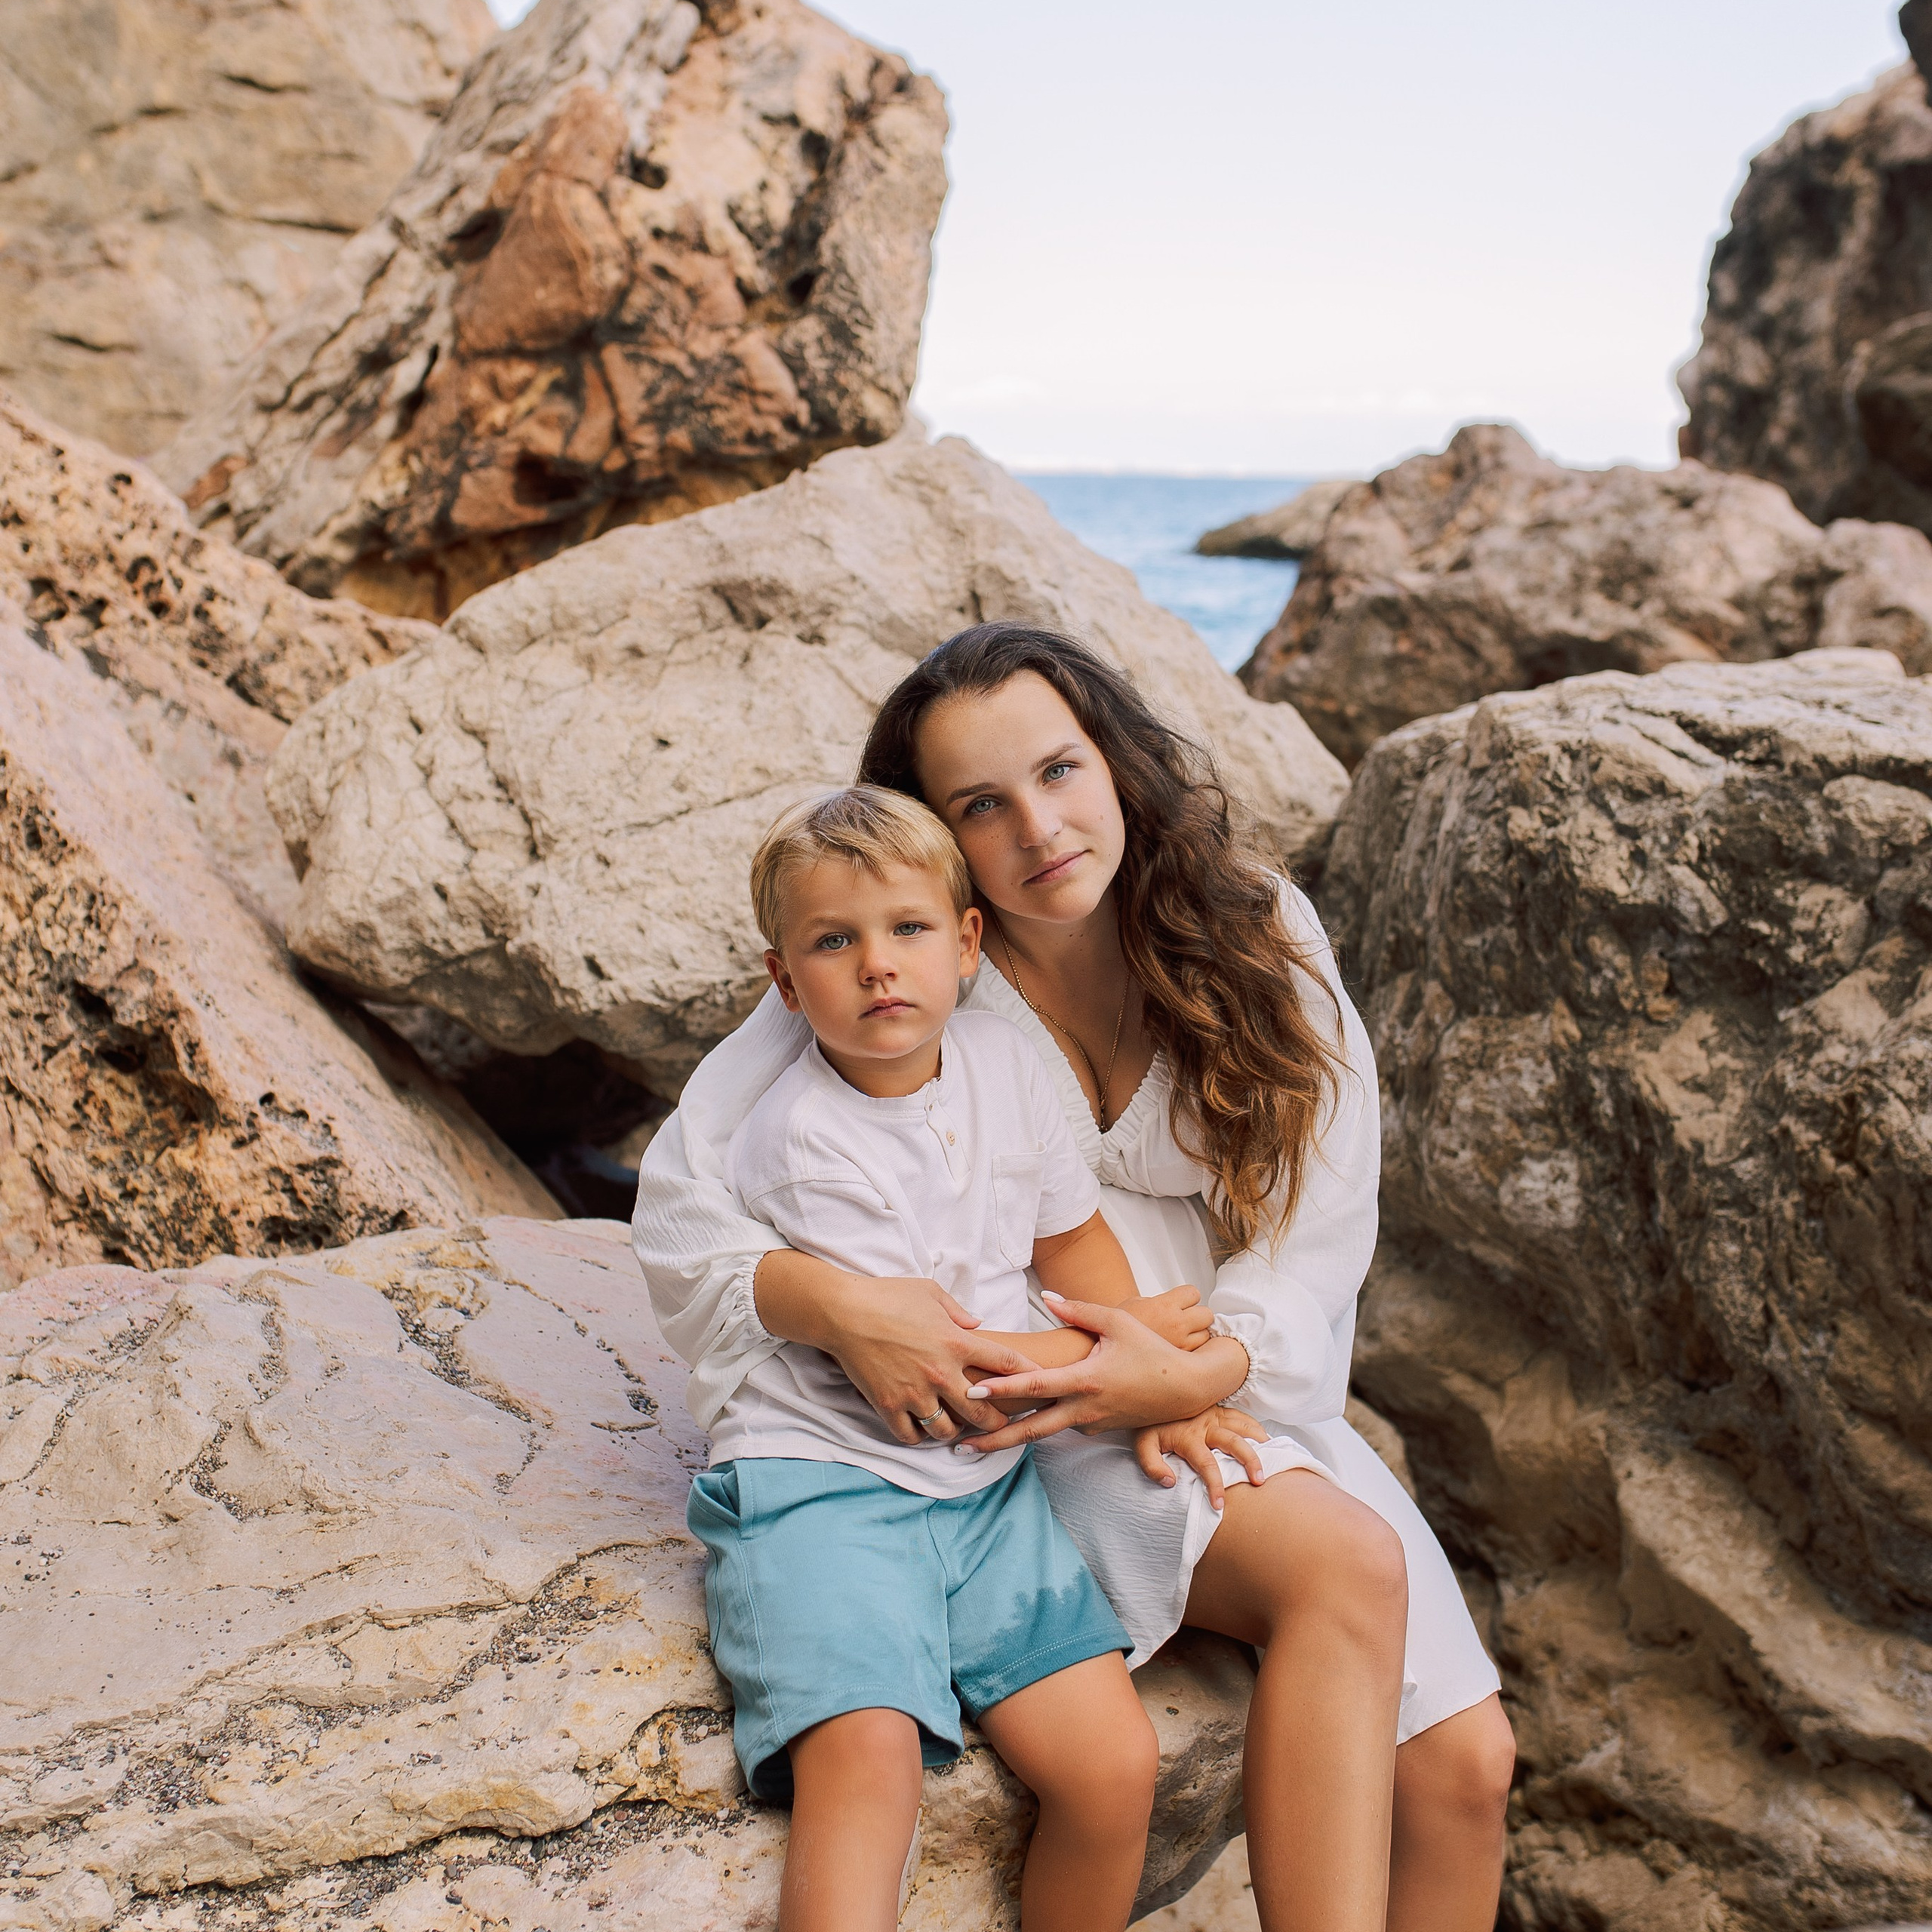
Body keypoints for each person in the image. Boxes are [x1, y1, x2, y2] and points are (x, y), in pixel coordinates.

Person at [637, 625, 1516, 1932]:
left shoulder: (1254, 923)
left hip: (1230, 1361)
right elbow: (680, 1208)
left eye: (1059, 770)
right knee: (1342, 1569)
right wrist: (841, 1306)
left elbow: (1330, 1209)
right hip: (1031, 1403)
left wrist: (1202, 1369)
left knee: (1465, 1769)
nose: (1040, 826)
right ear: (936, 841)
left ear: (1114, 763)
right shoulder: (911, 958)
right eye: (980, 805)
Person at [685, 783, 1203, 1932]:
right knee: (866, 1762)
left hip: (988, 1505)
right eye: (835, 941)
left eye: (909, 929)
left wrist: (1148, 1378)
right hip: (823, 1490)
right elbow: (948, 1389)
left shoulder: (1004, 1072)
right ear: (783, 981)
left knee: (1113, 1769)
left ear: (968, 945)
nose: (879, 965)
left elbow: (1070, 1242)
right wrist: (1112, 1352)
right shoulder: (799, 1140)